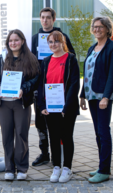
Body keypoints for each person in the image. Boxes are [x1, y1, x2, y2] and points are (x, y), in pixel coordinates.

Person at [0, 29, 39, 180]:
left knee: (21, 134)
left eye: (16, 40)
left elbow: (36, 78)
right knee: (6, 136)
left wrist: (23, 89)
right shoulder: (2, 57)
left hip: (21, 103)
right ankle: (9, 168)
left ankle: (22, 168)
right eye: (10, 41)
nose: (13, 43)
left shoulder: (30, 58)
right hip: (4, 103)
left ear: (22, 41)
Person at [31, 7, 76, 167]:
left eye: (48, 17)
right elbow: (32, 62)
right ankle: (45, 153)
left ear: (53, 19)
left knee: (62, 128)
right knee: (41, 122)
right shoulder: (35, 38)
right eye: (42, 17)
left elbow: (72, 58)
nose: (45, 20)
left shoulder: (62, 37)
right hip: (43, 88)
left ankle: (62, 158)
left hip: (61, 90)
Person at [80, 17, 113, 183]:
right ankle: (101, 165)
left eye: (100, 27)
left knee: (103, 132)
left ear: (107, 29)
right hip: (91, 95)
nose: (97, 29)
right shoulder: (92, 48)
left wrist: (105, 96)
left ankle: (105, 170)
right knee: (98, 132)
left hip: (103, 96)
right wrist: (82, 94)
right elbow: (87, 73)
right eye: (95, 27)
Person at [37, 31, 80, 183]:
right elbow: (41, 85)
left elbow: (74, 84)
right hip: (50, 107)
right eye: (50, 42)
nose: (53, 44)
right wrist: (41, 105)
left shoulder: (71, 59)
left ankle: (67, 168)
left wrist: (66, 107)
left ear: (62, 42)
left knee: (66, 136)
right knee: (54, 137)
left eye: (56, 41)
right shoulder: (46, 61)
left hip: (66, 108)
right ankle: (56, 167)